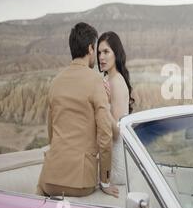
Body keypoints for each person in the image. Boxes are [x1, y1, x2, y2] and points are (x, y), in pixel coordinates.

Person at [36, 22, 119, 198]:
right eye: (95, 49)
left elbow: (52, 132)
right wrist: (105, 181)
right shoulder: (96, 81)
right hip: (80, 183)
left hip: (49, 179)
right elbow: (105, 136)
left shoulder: (55, 81)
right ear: (90, 48)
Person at [97, 31, 135, 185]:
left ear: (116, 53)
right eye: (99, 52)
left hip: (116, 166)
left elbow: (117, 132)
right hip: (107, 155)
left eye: (106, 51)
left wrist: (104, 106)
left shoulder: (117, 82)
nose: (101, 57)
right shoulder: (107, 79)